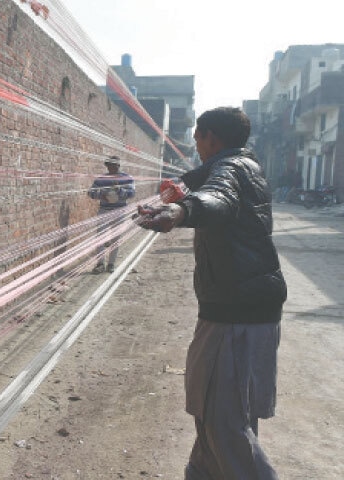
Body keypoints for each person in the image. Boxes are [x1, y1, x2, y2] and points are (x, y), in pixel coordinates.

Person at [136, 107, 286, 480]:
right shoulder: (238, 165)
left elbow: (219, 197)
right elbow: (204, 180)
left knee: (223, 422)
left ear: (211, 138)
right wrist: (175, 194)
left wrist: (180, 212)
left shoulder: (231, 171)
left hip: (237, 313)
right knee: (216, 413)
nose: (197, 146)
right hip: (241, 305)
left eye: (199, 138)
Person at [87, 155, 135, 273]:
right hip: (104, 210)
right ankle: (100, 264)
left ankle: (111, 264)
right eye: (108, 166)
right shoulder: (101, 179)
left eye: (112, 166)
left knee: (115, 238)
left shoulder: (127, 178)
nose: (110, 168)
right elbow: (90, 192)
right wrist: (100, 195)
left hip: (119, 211)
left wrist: (119, 190)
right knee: (100, 238)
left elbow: (132, 193)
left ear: (118, 165)